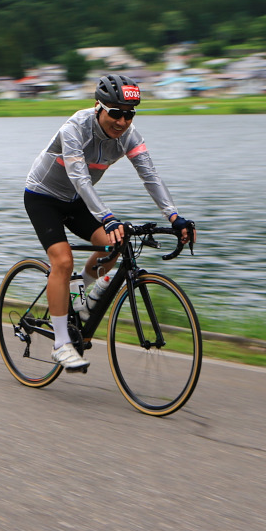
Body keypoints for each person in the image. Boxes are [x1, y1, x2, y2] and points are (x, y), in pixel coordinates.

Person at [23, 74, 194, 371]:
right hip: (43, 197)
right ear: (97, 107)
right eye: (115, 112)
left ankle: (83, 293)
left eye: (129, 114)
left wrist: (175, 217)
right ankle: (61, 343)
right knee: (62, 261)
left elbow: (150, 176)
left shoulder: (130, 136)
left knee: (116, 242)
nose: (122, 121)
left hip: (76, 201)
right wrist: (108, 217)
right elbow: (79, 178)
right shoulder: (75, 128)